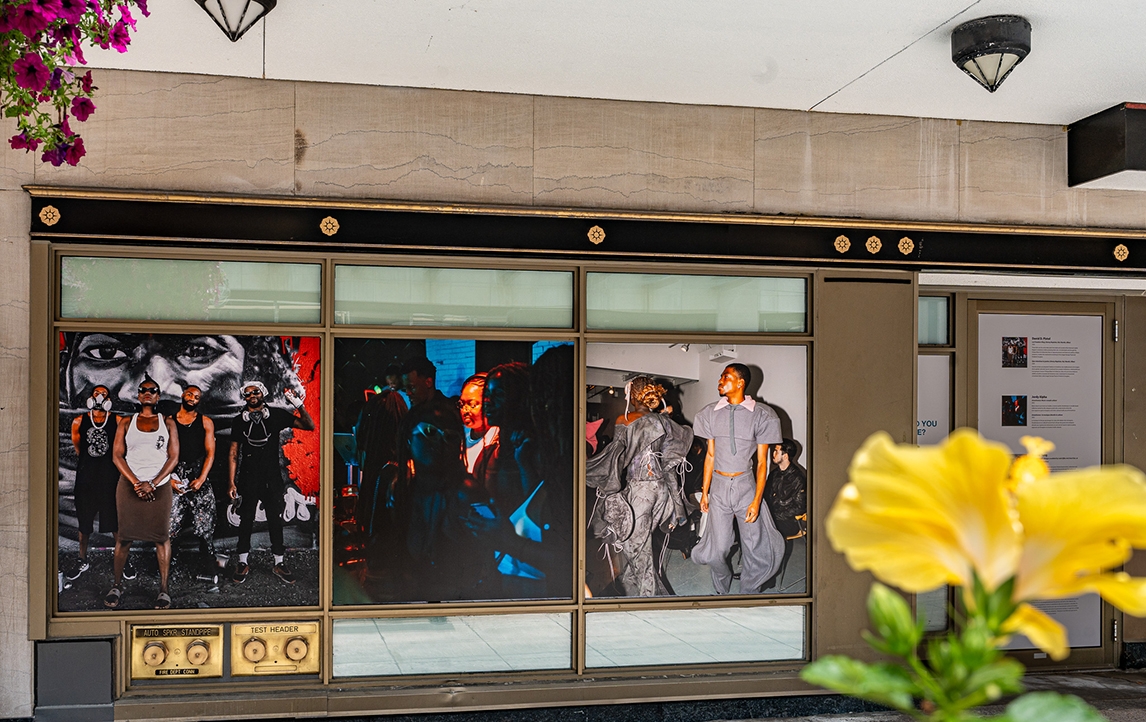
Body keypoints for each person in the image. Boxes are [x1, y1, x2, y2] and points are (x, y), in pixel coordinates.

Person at [587, 377, 692, 597]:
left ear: (633, 395)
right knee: (639, 544)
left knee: (636, 547)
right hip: (661, 492)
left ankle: (650, 601)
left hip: (641, 490)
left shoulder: (625, 420)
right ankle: (632, 585)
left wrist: (589, 469)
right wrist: (677, 505)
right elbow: (670, 465)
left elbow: (616, 458)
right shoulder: (662, 422)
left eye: (627, 393)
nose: (625, 397)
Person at [690, 364, 785, 594]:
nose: (720, 380)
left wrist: (756, 500)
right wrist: (705, 491)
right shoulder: (710, 413)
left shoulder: (762, 415)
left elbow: (763, 463)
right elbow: (710, 455)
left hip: (746, 486)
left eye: (726, 376)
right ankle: (722, 585)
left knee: (754, 546)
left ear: (740, 382)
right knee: (716, 548)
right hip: (719, 486)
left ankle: (748, 592)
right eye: (721, 376)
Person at [227, 380, 315, 585]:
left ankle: (279, 562)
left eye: (255, 392)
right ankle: (242, 562)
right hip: (248, 478)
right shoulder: (240, 421)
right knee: (246, 519)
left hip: (272, 477)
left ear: (263, 392)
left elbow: (309, 425)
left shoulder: (276, 415)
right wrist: (231, 482)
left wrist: (298, 405)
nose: (252, 396)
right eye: (247, 394)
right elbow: (233, 453)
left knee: (275, 520)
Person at [104, 377, 180, 609]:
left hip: (159, 486)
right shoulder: (126, 422)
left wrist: (153, 483)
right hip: (130, 485)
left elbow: (173, 457)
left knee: (161, 537)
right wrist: (137, 482)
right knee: (124, 537)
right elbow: (117, 455)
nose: (148, 393)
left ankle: (164, 590)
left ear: (158, 396)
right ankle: (116, 586)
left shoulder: (168, 423)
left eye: (153, 391)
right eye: (143, 390)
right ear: (138, 395)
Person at [67, 386, 122, 581]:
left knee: (115, 523)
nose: (100, 397)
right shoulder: (79, 421)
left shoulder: (117, 420)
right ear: (90, 397)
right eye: (97, 393)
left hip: (110, 481)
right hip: (86, 482)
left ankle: (123, 561)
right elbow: (79, 449)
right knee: (84, 524)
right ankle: (82, 559)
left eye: (104, 394)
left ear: (109, 399)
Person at [168, 385, 219, 581]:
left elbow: (210, 453)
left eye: (196, 396)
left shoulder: (205, 422)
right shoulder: (169, 421)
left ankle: (208, 567)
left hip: (198, 476)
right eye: (189, 394)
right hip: (175, 476)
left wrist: (202, 478)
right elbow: (163, 452)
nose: (192, 398)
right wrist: (170, 478)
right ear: (183, 395)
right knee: (170, 525)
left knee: (205, 525)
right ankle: (170, 567)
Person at [764, 439, 806, 541]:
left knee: (763, 530)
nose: (773, 453)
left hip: (789, 521)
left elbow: (800, 507)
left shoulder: (798, 478)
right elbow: (766, 497)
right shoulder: (774, 474)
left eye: (776, 451)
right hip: (773, 516)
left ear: (785, 456)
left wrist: (775, 515)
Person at [459, 373, 499, 475]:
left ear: (488, 403)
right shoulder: (459, 433)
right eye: (462, 404)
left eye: (472, 404)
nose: (465, 410)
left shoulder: (498, 438)